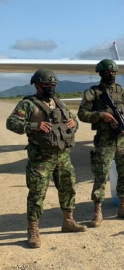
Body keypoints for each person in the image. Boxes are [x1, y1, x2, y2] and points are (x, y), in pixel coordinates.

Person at [6, 69, 87, 248]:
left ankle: (68, 221)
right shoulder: (28, 104)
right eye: (46, 86)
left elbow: (73, 120)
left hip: (63, 156)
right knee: (37, 194)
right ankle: (33, 230)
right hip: (40, 158)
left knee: (68, 188)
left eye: (53, 86)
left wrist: (74, 123)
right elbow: (11, 123)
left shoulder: (58, 103)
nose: (50, 88)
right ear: (36, 85)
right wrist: (34, 125)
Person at [78, 59, 124, 227]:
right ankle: (98, 211)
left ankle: (123, 206)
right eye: (107, 72)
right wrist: (100, 115)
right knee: (101, 175)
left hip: (123, 139)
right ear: (100, 73)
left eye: (113, 72)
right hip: (105, 138)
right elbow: (82, 114)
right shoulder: (93, 93)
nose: (110, 75)